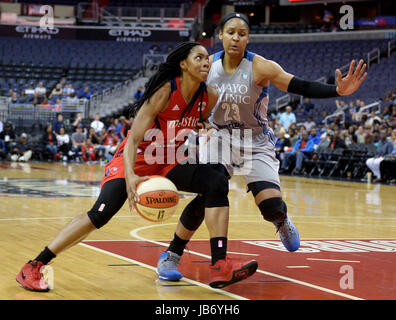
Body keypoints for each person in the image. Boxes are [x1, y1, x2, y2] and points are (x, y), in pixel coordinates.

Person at [16, 42, 258, 292]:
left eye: (207, 58)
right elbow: (132, 139)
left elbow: (200, 120)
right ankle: (34, 265)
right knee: (100, 214)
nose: (206, 62)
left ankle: (219, 264)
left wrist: (207, 128)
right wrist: (131, 176)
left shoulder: (209, 96)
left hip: (167, 160)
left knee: (216, 180)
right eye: (198, 58)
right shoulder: (165, 91)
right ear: (183, 64)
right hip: (135, 158)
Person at [158, 12, 368, 281]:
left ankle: (281, 221)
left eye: (242, 33)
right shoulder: (207, 66)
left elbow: (299, 86)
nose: (236, 37)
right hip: (221, 137)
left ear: (247, 39)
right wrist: (198, 124)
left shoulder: (260, 66)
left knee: (271, 206)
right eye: (230, 32)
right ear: (220, 35)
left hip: (255, 139)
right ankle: (171, 254)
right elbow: (187, 99)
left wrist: (336, 91)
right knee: (207, 194)